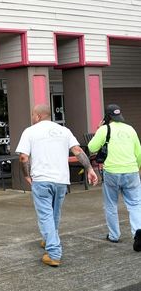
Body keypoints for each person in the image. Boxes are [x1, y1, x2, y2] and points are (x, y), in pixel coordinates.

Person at [15, 104, 98, 267]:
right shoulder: (64, 131)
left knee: (45, 214)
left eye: (33, 115)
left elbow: (24, 157)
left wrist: (26, 175)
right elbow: (78, 151)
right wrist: (89, 168)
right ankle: (48, 239)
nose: (32, 118)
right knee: (54, 213)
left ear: (38, 116)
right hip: (61, 180)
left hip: (41, 179)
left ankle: (53, 253)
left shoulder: (30, 131)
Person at [87, 104, 141, 251]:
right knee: (136, 204)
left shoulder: (104, 129)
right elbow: (139, 152)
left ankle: (114, 235)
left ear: (107, 116)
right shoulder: (130, 129)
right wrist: (137, 168)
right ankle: (138, 232)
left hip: (111, 172)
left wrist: (98, 130)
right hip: (131, 171)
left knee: (111, 204)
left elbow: (91, 147)